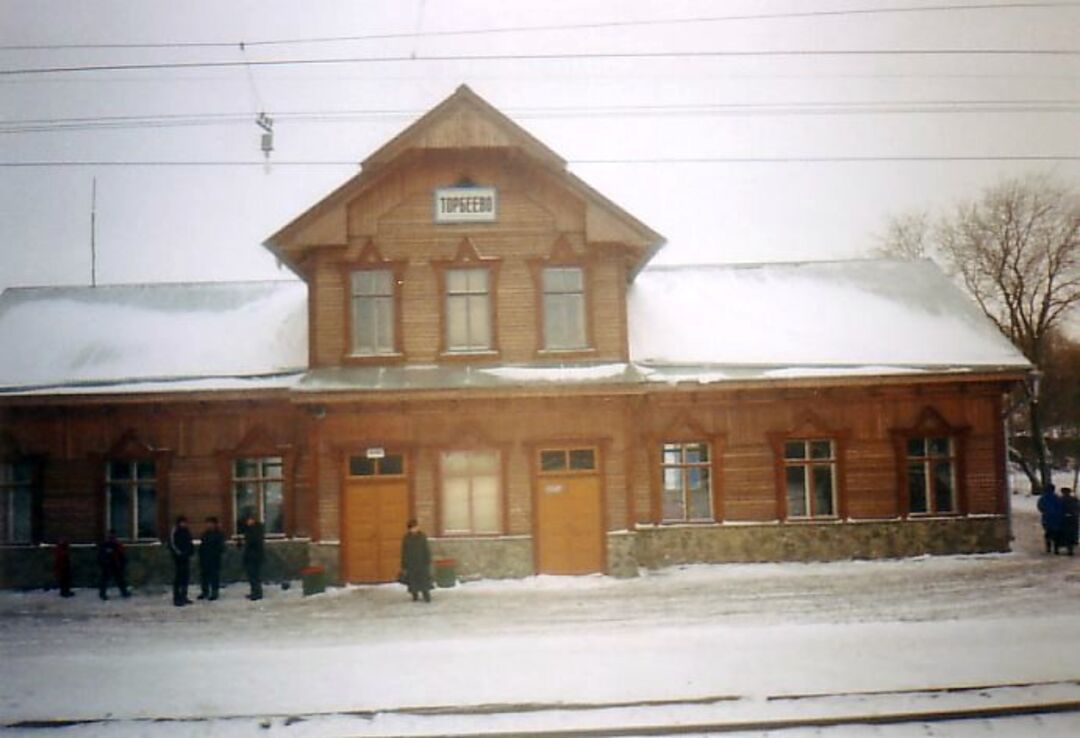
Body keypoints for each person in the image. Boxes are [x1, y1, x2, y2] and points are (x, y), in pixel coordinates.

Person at [400, 518, 432, 603]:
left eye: (417, 527)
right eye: (414, 527)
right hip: (411, 563)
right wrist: (404, 564)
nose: (416, 529)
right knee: (413, 580)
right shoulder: (406, 538)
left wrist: (428, 560)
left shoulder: (422, 536)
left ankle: (426, 595)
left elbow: (426, 549)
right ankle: (415, 595)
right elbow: (404, 551)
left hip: (421, 562)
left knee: (424, 580)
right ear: (410, 528)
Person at [168, 516, 195, 606]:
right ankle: (177, 597)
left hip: (186, 557)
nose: (184, 524)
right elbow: (172, 544)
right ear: (179, 523)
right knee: (178, 578)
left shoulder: (186, 531)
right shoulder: (175, 531)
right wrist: (178, 554)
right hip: (178, 558)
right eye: (182, 522)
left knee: (185, 577)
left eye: (185, 522)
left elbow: (190, 542)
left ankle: (184, 596)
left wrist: (190, 551)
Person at [197, 516, 226, 601]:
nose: (209, 525)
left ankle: (214, 592)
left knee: (214, 576)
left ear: (214, 524)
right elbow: (202, 546)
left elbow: (221, 547)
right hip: (204, 559)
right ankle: (205, 592)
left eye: (210, 523)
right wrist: (201, 556)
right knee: (204, 576)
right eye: (207, 523)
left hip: (214, 559)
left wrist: (216, 554)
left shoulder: (219, 534)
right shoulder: (205, 534)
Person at [97, 530, 129, 600]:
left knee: (119, 579)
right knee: (106, 580)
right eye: (110, 536)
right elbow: (101, 555)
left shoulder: (116, 544)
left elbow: (121, 555)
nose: (112, 537)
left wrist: (122, 563)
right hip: (109, 565)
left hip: (114, 564)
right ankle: (103, 594)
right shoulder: (106, 545)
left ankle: (124, 592)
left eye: (112, 536)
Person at [239, 512, 265, 601]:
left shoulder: (255, 530)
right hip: (252, 556)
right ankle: (255, 592)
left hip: (254, 556)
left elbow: (253, 542)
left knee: (254, 576)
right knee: (252, 576)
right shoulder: (251, 529)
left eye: (249, 520)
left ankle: (257, 593)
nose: (248, 522)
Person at [1037, 484, 1063, 554]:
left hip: (1047, 518)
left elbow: (1040, 507)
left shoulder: (1043, 498)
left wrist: (1045, 511)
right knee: (1056, 533)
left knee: (1048, 533)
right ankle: (1056, 548)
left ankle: (1048, 547)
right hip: (1056, 518)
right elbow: (1061, 507)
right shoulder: (1057, 498)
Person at [1058, 488, 1078, 557]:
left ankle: (1063, 547)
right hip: (1073, 518)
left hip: (1063, 519)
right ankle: (1070, 548)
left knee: (1065, 534)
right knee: (1071, 534)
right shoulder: (1074, 499)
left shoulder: (1060, 500)